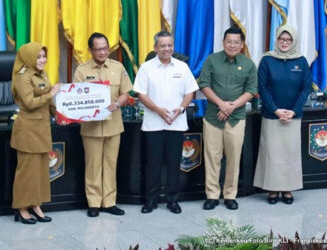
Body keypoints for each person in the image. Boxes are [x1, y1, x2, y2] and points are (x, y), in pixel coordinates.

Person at [134, 31, 199, 214]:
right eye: (162, 45)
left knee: (173, 163)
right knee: (153, 164)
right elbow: (141, 94)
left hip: (176, 123)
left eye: (169, 45)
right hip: (154, 123)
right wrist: (159, 111)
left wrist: (181, 108)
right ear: (155, 48)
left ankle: (172, 200)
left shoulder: (182, 67)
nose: (167, 48)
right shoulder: (146, 67)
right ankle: (151, 201)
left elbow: (190, 92)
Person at [74, 32, 133, 217]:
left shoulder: (118, 67)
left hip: (113, 124)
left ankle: (109, 202)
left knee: (110, 164)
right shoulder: (82, 70)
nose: (102, 52)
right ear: (91, 50)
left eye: (105, 48)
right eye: (98, 49)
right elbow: (76, 96)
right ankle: (93, 203)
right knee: (93, 166)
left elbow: (126, 92)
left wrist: (118, 103)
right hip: (91, 127)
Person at [199, 27, 257, 210]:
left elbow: (251, 91)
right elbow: (204, 85)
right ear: (223, 42)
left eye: (236, 42)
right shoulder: (211, 60)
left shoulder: (248, 64)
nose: (232, 45)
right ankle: (212, 195)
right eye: (229, 41)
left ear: (242, 45)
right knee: (212, 157)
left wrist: (230, 106)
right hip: (213, 118)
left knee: (233, 158)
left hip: (236, 118)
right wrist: (221, 104)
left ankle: (230, 195)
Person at [253, 24, 311, 205]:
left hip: (293, 116)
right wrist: (276, 110)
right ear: (276, 40)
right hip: (272, 116)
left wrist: (293, 111)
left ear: (294, 41)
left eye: (288, 39)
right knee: (272, 154)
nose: (285, 42)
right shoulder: (267, 60)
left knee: (290, 154)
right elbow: (263, 87)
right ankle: (272, 189)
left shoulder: (301, 61)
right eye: (281, 39)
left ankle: (287, 189)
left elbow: (306, 88)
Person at [11, 42, 60, 224]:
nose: (42, 60)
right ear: (29, 58)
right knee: (26, 172)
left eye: (44, 56)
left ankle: (36, 205)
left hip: (42, 129)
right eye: (38, 57)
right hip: (28, 130)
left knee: (39, 172)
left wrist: (61, 114)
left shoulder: (43, 74)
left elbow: (48, 100)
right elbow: (31, 102)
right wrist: (52, 92)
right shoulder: (22, 76)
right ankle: (22, 207)